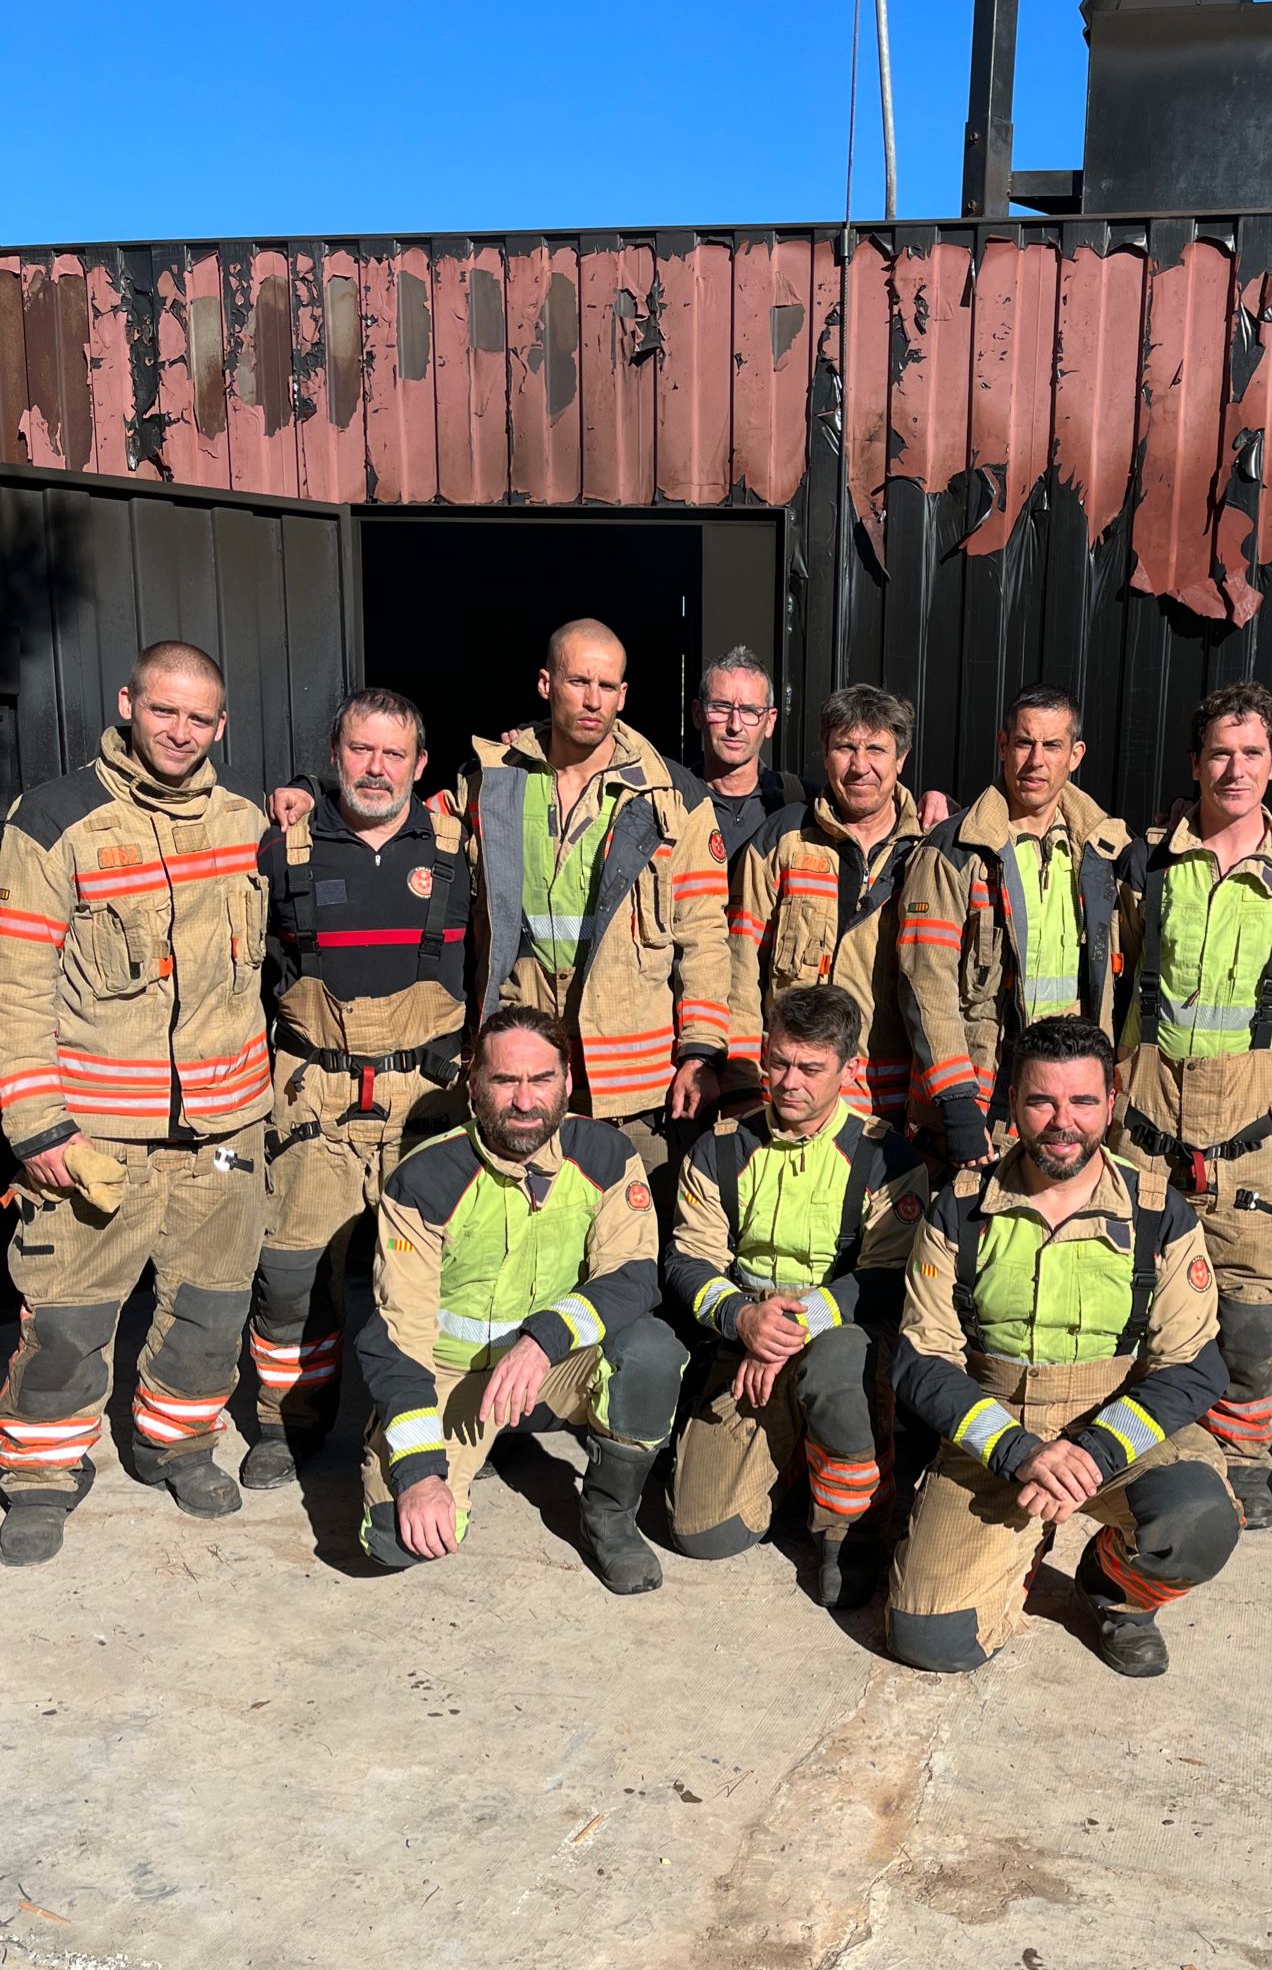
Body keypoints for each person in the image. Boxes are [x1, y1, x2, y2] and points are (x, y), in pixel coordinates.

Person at [270, 619, 731, 1185]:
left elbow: (705, 937)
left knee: (627, 1244)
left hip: (628, 1078)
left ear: (624, 695)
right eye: (577, 681)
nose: (592, 700)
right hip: (517, 1061)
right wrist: (315, 789)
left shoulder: (674, 798)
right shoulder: (491, 778)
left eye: (607, 687)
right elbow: (396, 808)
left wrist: (701, 1053)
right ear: (545, 684)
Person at [0, 643, 271, 1565]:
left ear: (221, 726)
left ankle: (178, 1443)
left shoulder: (244, 821)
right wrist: (35, 1121)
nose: (180, 733)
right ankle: (40, 1475)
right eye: (164, 711)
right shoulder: (53, 819)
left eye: (200, 719)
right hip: (93, 1131)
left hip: (225, 1127)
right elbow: (17, 984)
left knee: (210, 1308)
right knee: (69, 1315)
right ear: (127, 703)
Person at [885, 1018, 1239, 1677]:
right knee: (931, 1644)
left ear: (1111, 1101)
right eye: (1041, 1100)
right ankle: (1020, 1541)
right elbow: (921, 1359)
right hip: (994, 1431)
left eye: (1081, 1102)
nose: (1061, 1122)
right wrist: (1018, 1453)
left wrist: (1090, 1453)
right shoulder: (958, 1208)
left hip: (1115, 1427)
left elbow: (1192, 1366)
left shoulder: (1158, 1212)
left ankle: (1114, 1593)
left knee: (1198, 1521)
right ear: (1011, 1101)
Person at [356, 1005, 688, 1589]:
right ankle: (461, 1450)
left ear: (567, 1081)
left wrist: (544, 1339)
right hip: (451, 1380)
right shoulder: (424, 1180)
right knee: (392, 1539)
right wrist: (420, 1474)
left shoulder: (606, 1155)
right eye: (505, 1080)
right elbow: (397, 1335)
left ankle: (609, 1515)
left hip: (548, 1370)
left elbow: (635, 1275)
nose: (526, 1101)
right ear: (474, 1084)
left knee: (651, 1351)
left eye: (541, 1080)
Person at [1113, 682, 1272, 1532]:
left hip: (1252, 1132)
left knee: (1247, 1313)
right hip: (1144, 1118)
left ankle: (1243, 1458)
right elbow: (1116, 977)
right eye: (1218, 752)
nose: (1233, 769)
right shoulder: (1143, 863)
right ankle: (1141, 1448)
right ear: (1194, 761)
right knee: (1135, 1296)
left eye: (1250, 754)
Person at [244, 689, 469, 1490]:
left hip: (428, 1097)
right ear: (333, 753)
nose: (375, 769)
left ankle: (445, 1422)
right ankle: (285, 1422)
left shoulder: (459, 843)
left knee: (436, 1271)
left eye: (392, 754)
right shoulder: (279, 845)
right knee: (293, 1271)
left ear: (421, 764)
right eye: (359, 751)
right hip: (314, 1100)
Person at [666, 984, 929, 1605]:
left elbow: (888, 1278)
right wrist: (740, 1318)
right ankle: (784, 1465)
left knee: (838, 1369)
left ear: (849, 1069)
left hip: (834, 1330)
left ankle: (849, 1526)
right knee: (702, 1533)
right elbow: (686, 1261)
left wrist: (790, 1326)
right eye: (778, 1061)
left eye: (811, 1069)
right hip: (745, 1334)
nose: (789, 1083)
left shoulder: (885, 1157)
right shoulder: (722, 1147)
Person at [897, 684, 1132, 1172]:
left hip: (1067, 1097)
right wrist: (958, 1104)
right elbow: (927, 983)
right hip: (985, 1103)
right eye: (1024, 743)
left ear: (1076, 754)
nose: (1036, 762)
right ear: (1002, 745)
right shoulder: (954, 851)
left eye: (1052, 746)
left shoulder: (1106, 852)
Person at [725, 686, 923, 1124]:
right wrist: (740, 1082)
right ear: (824, 752)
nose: (860, 766)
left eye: (876, 749)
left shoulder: (929, 851)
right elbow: (738, 969)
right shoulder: (782, 840)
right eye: (845, 747)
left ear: (901, 760)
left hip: (889, 1109)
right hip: (791, 1099)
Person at [692, 645, 806, 862]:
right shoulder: (672, 801)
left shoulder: (801, 801)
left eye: (749, 711)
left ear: (770, 722)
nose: (735, 726)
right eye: (721, 707)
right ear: (698, 714)